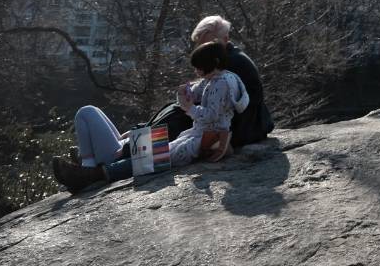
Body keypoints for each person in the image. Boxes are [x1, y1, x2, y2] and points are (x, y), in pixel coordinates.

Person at [51, 42, 249, 192]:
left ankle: (92, 172)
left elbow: (211, 116)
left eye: (199, 67)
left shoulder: (221, 83)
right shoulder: (216, 80)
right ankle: (89, 165)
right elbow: (195, 94)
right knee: (92, 112)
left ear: (213, 63)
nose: (196, 72)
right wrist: (184, 94)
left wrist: (189, 108)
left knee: (152, 156)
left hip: (202, 139)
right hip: (195, 135)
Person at [191, 15, 274, 146]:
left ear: (225, 39)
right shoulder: (225, 57)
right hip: (244, 123)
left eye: (211, 44)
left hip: (245, 127)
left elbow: (214, 105)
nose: (205, 50)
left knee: (181, 117)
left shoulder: (231, 63)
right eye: (202, 45)